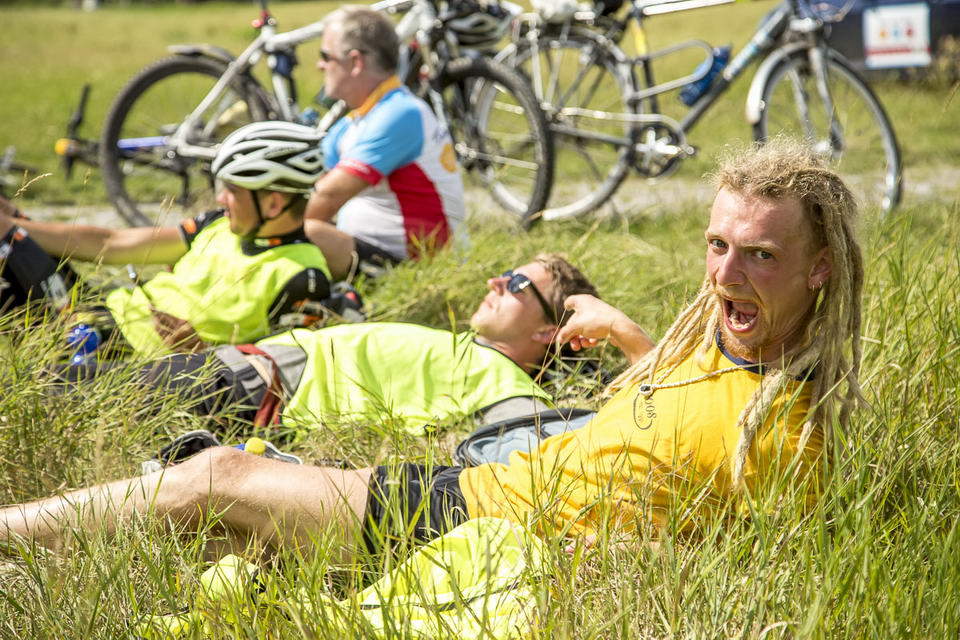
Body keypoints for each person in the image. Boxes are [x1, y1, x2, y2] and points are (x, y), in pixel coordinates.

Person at [0, 140, 863, 555]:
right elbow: (667, 416)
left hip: (472, 521)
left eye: (760, 255)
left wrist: (594, 553)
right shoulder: (712, 348)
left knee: (218, 478)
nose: (725, 275)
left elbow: (754, 556)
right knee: (211, 529)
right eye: (717, 246)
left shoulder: (788, 431)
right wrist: (631, 335)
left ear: (821, 269)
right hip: (468, 491)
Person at [56, 254, 598, 437]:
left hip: (249, 392)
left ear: (548, 332)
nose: (497, 281)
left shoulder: (504, 382)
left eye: (518, 284)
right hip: (238, 370)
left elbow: (543, 447)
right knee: (62, 391)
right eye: (505, 272)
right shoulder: (463, 349)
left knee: (55, 398)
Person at [0, 122, 334, 357]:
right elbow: (110, 244)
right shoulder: (217, 224)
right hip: (95, 314)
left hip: (131, 363)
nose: (221, 199)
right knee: (6, 240)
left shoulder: (302, 277)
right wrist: (13, 224)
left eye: (232, 191)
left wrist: (199, 351)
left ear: (273, 204)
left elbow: (273, 373)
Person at [302, 7, 467, 280]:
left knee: (308, 234)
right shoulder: (351, 123)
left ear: (355, 62)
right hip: (377, 254)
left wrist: (264, 228)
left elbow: (326, 198)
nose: (320, 65)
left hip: (420, 268)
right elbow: (309, 184)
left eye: (326, 56)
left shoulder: (401, 113)